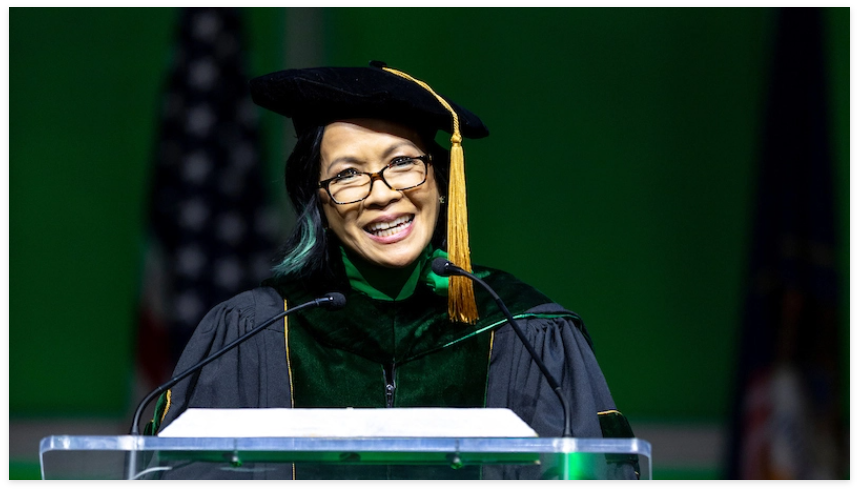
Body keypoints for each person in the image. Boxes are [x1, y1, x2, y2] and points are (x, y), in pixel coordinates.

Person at [144, 61, 637, 480]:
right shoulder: (256, 333)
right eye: (348, 174)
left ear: (442, 181)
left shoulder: (523, 330)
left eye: (402, 162)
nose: (382, 194)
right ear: (319, 202)